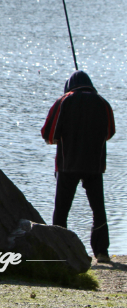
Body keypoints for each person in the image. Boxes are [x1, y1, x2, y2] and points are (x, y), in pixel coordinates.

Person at [41, 70, 115, 263]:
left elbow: (48, 134)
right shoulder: (102, 103)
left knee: (62, 209)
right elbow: (110, 132)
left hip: (67, 165)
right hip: (94, 165)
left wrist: (61, 139)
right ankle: (102, 252)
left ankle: (59, 251)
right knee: (98, 208)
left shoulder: (64, 101)